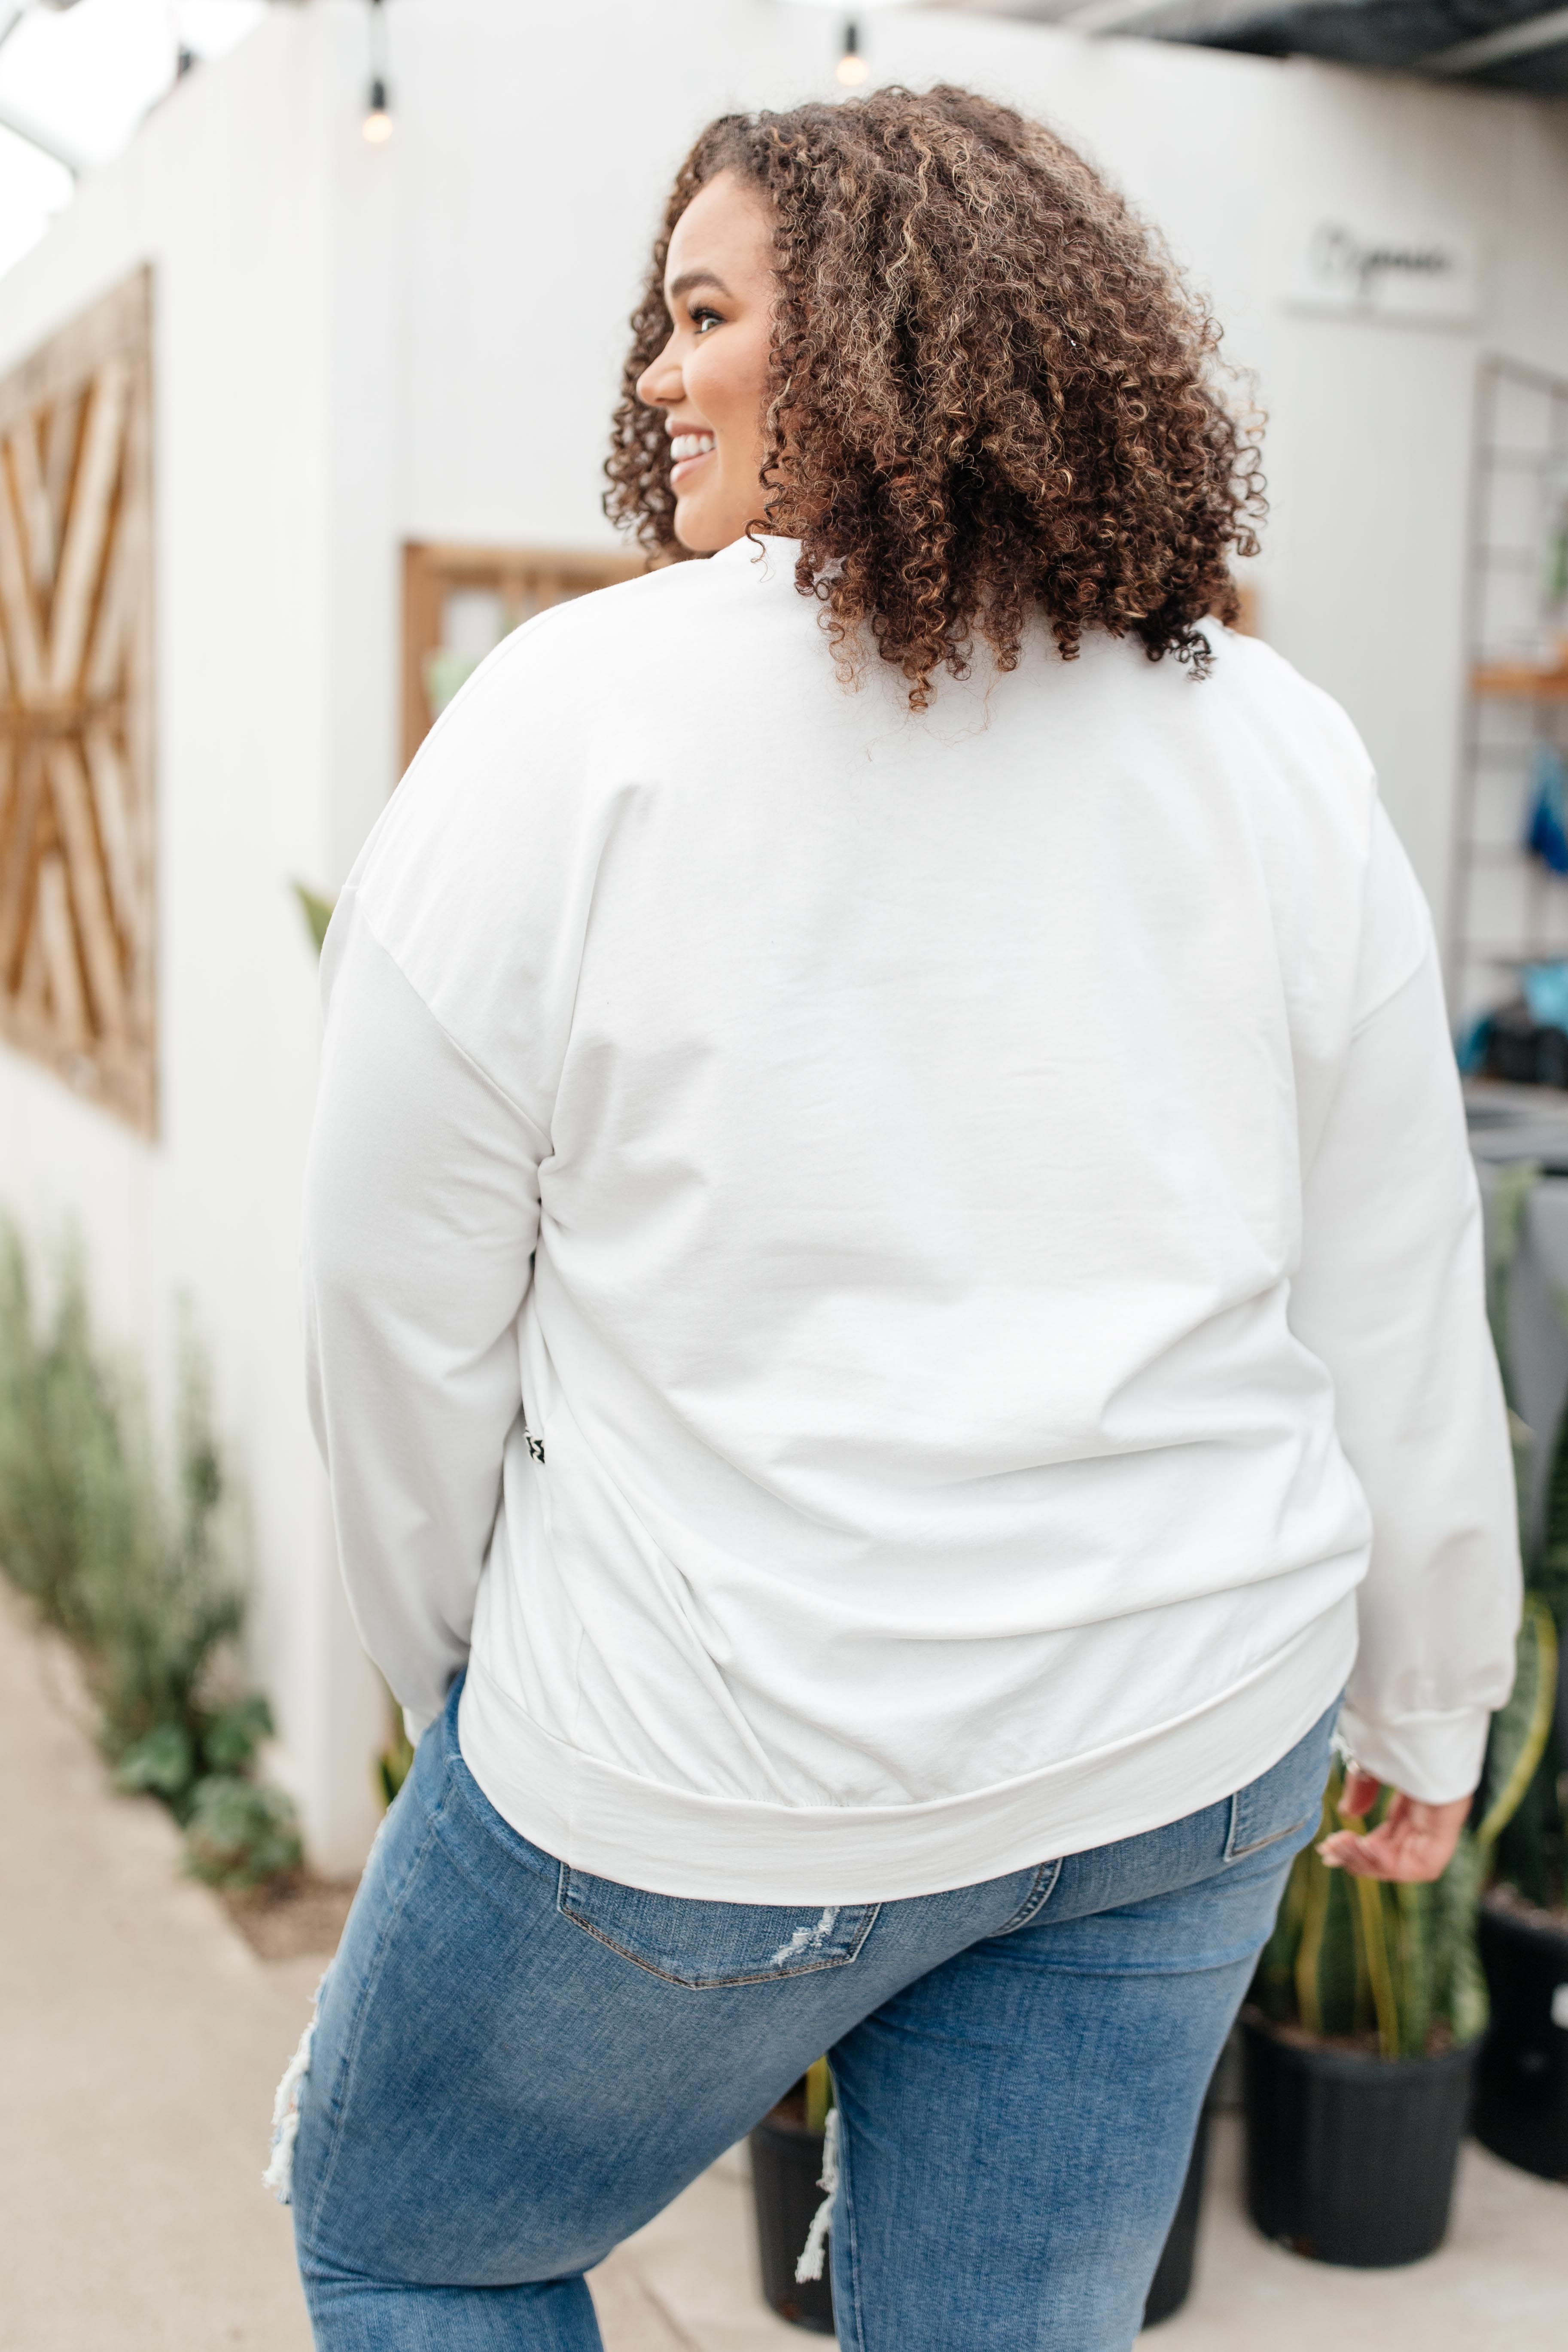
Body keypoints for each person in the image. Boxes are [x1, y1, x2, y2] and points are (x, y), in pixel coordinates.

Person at [281, 87, 1519, 2352]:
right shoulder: (1269, 740)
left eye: (705, 312)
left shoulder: (571, 718)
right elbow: (1392, 1272)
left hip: (699, 1762)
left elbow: (391, 1298)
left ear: (894, 331)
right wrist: (1430, 1695)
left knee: (410, 2231)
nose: (656, 374)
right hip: (1181, 1743)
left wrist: (450, 1671)